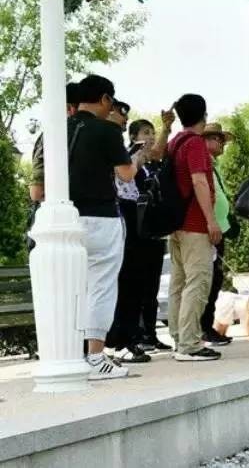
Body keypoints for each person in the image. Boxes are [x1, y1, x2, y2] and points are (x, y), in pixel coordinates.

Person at [68, 75, 140, 379]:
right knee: (101, 286)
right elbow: (125, 175)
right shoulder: (107, 131)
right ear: (106, 99)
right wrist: (135, 158)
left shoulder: (58, 130)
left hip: (63, 218)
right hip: (101, 218)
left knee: (70, 289)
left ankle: (68, 354)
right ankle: (96, 356)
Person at [106, 110, 176, 361]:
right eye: (145, 133)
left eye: (152, 132)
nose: (150, 137)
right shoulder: (123, 153)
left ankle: (138, 335)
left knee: (144, 283)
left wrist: (166, 128)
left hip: (142, 222)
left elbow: (156, 153)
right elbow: (126, 175)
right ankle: (123, 338)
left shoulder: (148, 160)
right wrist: (138, 155)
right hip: (123, 216)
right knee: (128, 282)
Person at [167, 94, 222, 362]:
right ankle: (189, 344)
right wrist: (211, 221)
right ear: (204, 115)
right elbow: (199, 182)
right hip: (195, 223)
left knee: (178, 282)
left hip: (175, 224)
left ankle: (179, 336)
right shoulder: (196, 144)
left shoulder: (174, 142)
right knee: (198, 280)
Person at [199, 123, 235, 347]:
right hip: (209, 229)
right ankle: (203, 328)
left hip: (220, 227)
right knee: (208, 281)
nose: (221, 144)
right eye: (217, 139)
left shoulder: (214, 165)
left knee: (216, 280)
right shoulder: (202, 164)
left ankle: (208, 326)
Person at [29, 82, 81, 204]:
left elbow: (36, 192)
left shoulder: (51, 134)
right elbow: (36, 192)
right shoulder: (52, 135)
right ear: (70, 108)